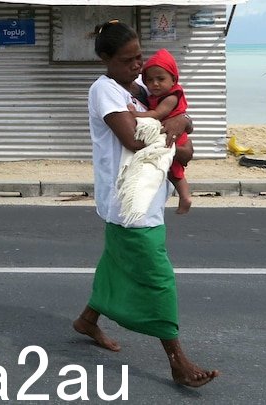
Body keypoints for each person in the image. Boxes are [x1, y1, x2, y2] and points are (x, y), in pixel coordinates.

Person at [72, 19, 220, 387]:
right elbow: (134, 140)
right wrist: (174, 132)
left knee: (116, 264)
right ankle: (177, 359)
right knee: (157, 278)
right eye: (128, 60)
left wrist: (181, 120)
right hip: (129, 203)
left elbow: (183, 128)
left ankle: (88, 320)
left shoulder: (139, 89)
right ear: (106, 58)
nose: (138, 66)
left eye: (140, 57)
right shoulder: (104, 90)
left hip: (149, 194)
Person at [130, 48, 192, 214]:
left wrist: (136, 113)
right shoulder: (156, 94)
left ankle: (185, 197)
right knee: (171, 168)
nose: (155, 83)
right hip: (170, 132)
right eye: (149, 80)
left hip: (175, 135)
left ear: (173, 80)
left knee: (175, 169)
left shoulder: (171, 97)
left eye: (160, 79)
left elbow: (158, 114)